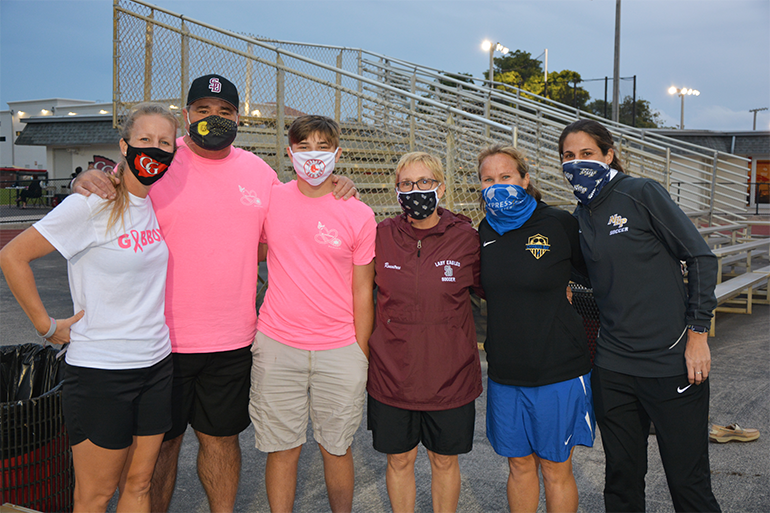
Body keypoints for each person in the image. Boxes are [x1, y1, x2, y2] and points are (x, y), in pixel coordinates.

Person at [72, 75, 357, 513]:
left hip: (232, 338)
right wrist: (86, 179)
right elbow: (108, 188)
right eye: (203, 110)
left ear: (238, 118)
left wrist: (340, 187)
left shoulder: (259, 174)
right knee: (161, 449)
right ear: (187, 115)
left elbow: (284, 225)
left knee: (222, 441)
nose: (213, 119)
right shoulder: (161, 161)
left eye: (224, 112)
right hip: (161, 340)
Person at [0, 102, 178, 513]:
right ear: (124, 145)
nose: (154, 149)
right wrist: (46, 326)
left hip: (155, 365)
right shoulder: (92, 203)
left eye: (164, 142)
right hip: (101, 372)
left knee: (138, 484)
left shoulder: (152, 201)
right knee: (95, 497)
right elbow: (12, 256)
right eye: (144, 140)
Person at [559, 119, 721, 513]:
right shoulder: (579, 216)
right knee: (622, 480)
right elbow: (585, 272)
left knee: (688, 482)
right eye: (568, 156)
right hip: (614, 367)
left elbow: (699, 256)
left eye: (586, 154)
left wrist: (698, 334)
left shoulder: (640, 192)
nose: (576, 163)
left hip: (671, 362)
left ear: (609, 154)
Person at [249, 115, 376, 513]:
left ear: (337, 153)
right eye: (303, 146)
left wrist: (360, 351)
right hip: (277, 344)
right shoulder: (272, 200)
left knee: (336, 448)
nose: (313, 155)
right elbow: (251, 249)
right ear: (289, 152)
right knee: (281, 449)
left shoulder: (359, 213)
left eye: (322, 146)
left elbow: (362, 290)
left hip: (340, 349)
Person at [477, 145, 594, 513]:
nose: (497, 186)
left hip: (557, 370)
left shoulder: (558, 223)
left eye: (506, 177)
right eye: (488, 179)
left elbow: (593, 275)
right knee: (519, 465)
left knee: (556, 468)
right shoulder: (482, 230)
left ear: (525, 179)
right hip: (505, 373)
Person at [366, 151, 482, 513]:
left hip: (449, 378)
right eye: (406, 184)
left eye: (425, 183)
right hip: (392, 377)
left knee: (444, 462)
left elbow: (504, 285)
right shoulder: (381, 234)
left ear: (441, 187)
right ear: (396, 191)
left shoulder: (466, 238)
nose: (416, 191)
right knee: (399, 461)